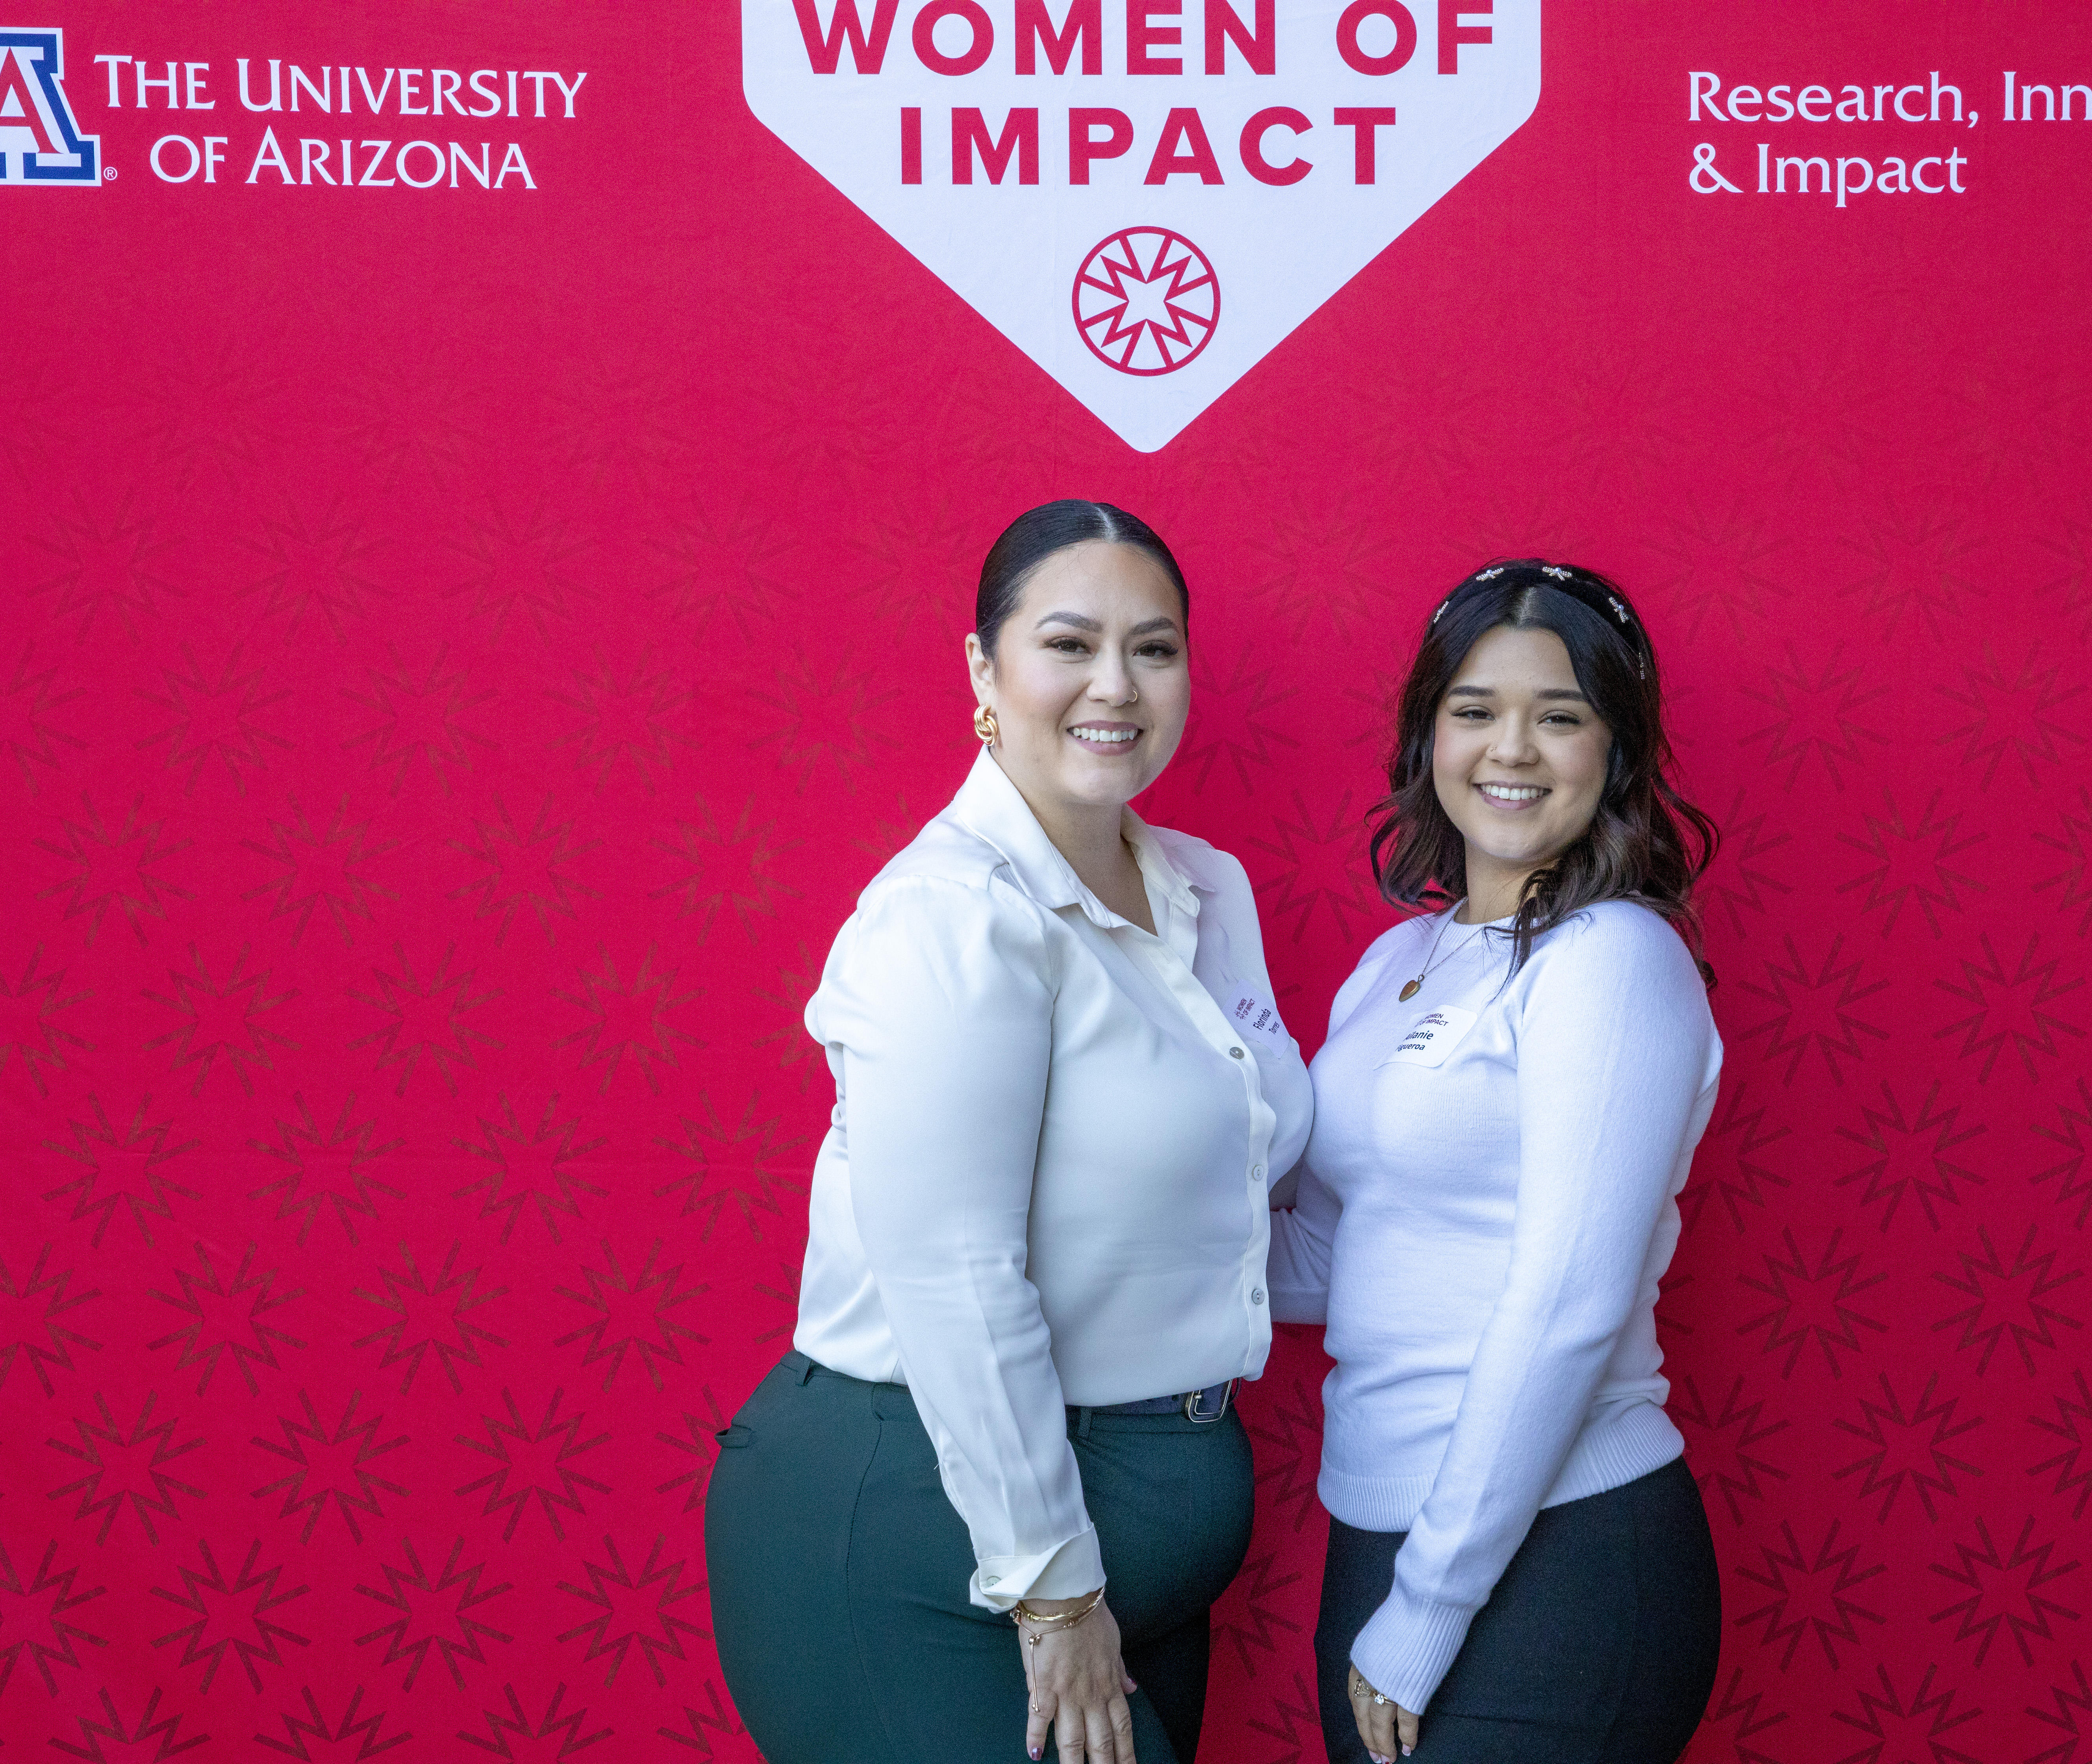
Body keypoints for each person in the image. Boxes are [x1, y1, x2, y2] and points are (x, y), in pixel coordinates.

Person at [705, 500, 1313, 1764]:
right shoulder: (950, 915)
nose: (1116, 684)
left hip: (1140, 1551)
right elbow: (955, 1273)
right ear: (984, 669)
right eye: (1069, 643)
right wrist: (1054, 1588)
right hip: (937, 1532)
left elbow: (1229, 1204)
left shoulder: (1209, 888)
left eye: (1154, 648)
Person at [1270, 560, 1725, 1764]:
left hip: (1553, 1552)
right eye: (1474, 709)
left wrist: (1427, 1610)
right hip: (1386, 1531)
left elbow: (1572, 1302)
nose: (1510, 748)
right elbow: (1331, 1255)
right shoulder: (1398, 964)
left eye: (1559, 715)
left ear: (1616, 751)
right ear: (1428, 735)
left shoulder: (1611, 959)